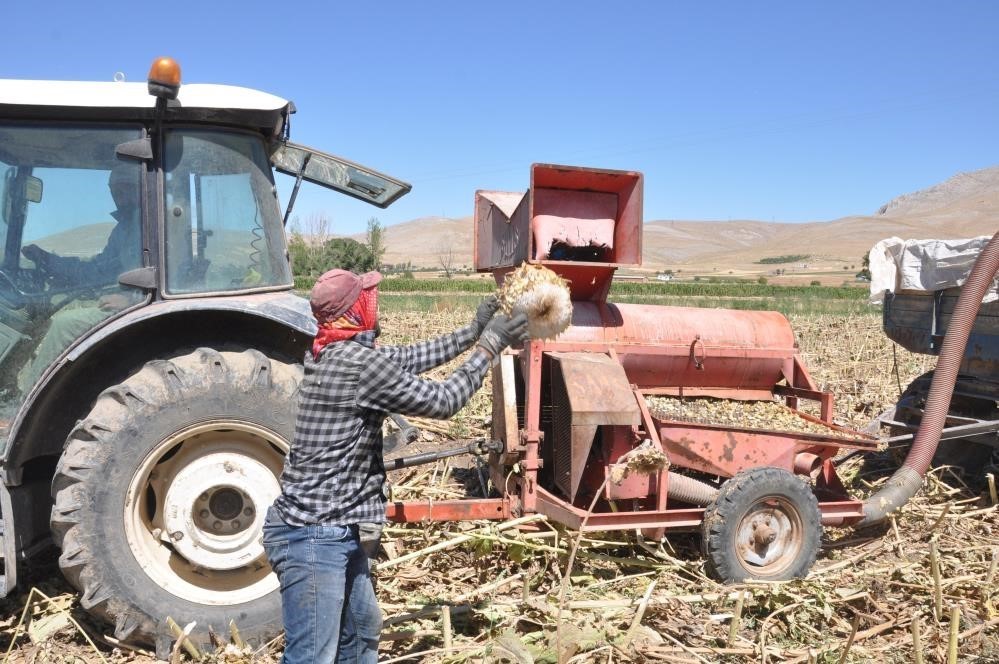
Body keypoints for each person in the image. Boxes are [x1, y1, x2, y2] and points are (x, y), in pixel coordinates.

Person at [263, 268, 528, 664]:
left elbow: (411, 357)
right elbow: (443, 402)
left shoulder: (332, 350)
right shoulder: (358, 364)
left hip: (336, 528)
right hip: (314, 537)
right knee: (312, 658)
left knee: (361, 634)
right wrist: (489, 347)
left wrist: (473, 329)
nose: (376, 302)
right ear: (356, 311)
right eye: (369, 298)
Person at [16, 161, 142, 392]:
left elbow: (174, 274)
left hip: (140, 306)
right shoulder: (125, 227)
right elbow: (98, 271)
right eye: (113, 190)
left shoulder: (152, 224)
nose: (117, 196)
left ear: (138, 187)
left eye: (123, 189)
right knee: (42, 320)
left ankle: (27, 404)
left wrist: (133, 299)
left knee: (64, 325)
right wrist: (47, 261)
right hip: (135, 302)